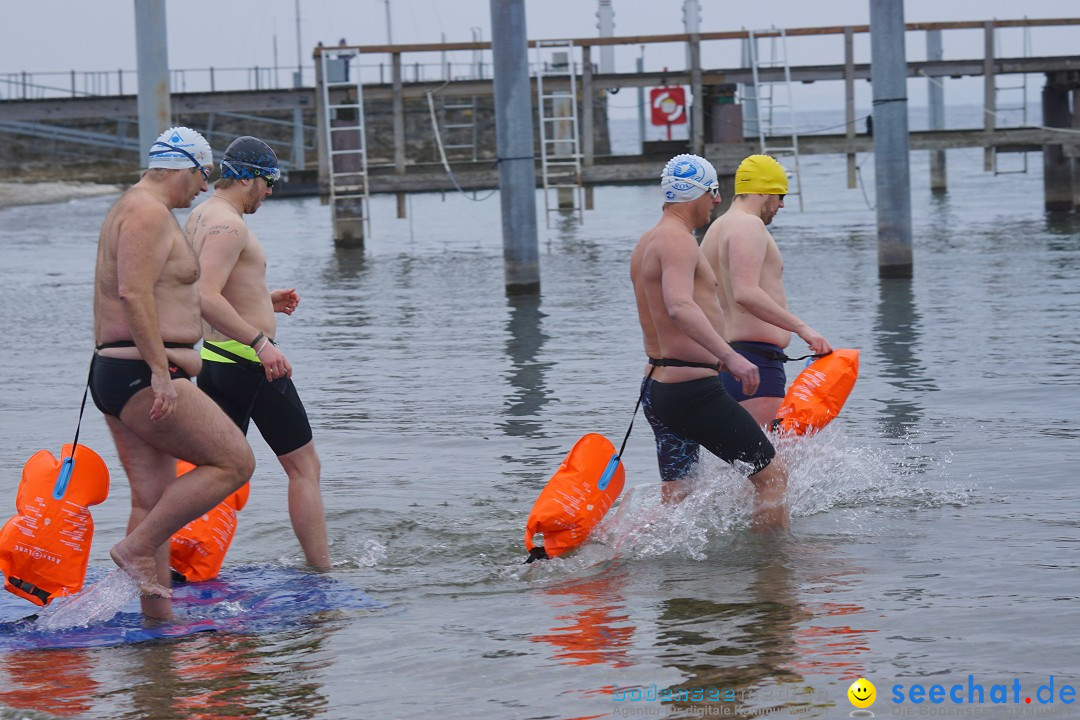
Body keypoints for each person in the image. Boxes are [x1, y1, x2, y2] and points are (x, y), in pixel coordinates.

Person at [91, 127, 255, 618]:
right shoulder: (146, 212)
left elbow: (154, 293)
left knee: (153, 498)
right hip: (144, 375)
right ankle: (135, 548)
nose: (204, 189)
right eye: (203, 177)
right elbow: (133, 295)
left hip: (122, 373)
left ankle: (156, 627)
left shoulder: (132, 207)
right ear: (184, 168)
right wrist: (162, 373)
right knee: (234, 463)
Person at [184, 136, 331, 569]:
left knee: (215, 471)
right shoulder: (231, 226)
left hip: (218, 359)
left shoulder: (201, 215)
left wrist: (263, 300)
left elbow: (219, 289)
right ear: (248, 177)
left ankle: (177, 556)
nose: (269, 192)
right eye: (269, 182)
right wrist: (261, 342)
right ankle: (323, 573)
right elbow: (204, 295)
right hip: (249, 364)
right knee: (304, 468)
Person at [630, 154, 788, 529]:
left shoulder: (646, 243)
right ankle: (772, 571)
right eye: (713, 192)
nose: (718, 201)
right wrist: (730, 357)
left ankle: (620, 554)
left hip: (657, 388)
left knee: (679, 499)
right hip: (692, 391)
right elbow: (680, 305)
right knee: (773, 477)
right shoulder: (678, 242)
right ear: (695, 192)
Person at [700, 154, 832, 427]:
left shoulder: (715, 229)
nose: (781, 204)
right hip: (755, 364)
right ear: (761, 190)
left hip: (729, 360)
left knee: (748, 463)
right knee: (771, 464)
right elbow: (745, 292)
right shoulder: (748, 224)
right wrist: (803, 328)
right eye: (779, 195)